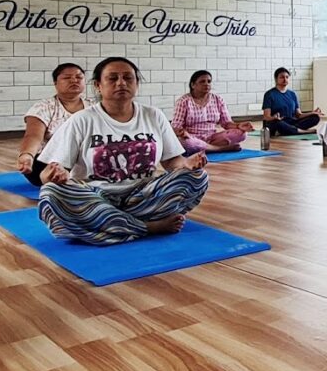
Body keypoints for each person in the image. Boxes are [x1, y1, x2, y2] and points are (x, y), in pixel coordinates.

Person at [35, 56, 209, 246]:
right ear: (98, 85)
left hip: (143, 197)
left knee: (197, 177)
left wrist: (187, 164)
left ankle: (109, 225)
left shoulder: (153, 115)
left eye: (128, 78)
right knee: (51, 192)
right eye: (112, 78)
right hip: (97, 197)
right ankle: (147, 227)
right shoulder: (81, 120)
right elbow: (49, 173)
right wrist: (52, 175)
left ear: (137, 84)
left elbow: (172, 162)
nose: (121, 83)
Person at [18, 62, 93, 181]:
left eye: (79, 77)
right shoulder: (43, 107)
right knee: (48, 172)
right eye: (67, 78)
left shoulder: (94, 106)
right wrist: (27, 154)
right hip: (51, 161)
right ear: (55, 83)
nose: (74, 80)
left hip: (87, 158)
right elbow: (33, 136)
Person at [172, 70, 254, 155]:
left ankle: (207, 148)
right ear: (193, 85)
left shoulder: (218, 99)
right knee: (185, 143)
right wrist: (183, 133)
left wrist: (238, 126)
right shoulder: (184, 101)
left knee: (241, 134)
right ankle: (220, 149)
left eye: (209, 81)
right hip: (192, 138)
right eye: (202, 82)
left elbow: (226, 123)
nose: (206, 84)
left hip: (212, 138)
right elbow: (176, 126)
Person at [261, 67, 322, 135]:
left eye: (287, 77)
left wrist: (313, 113)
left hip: (291, 122)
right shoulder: (269, 94)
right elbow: (266, 117)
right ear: (276, 79)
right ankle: (304, 131)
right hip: (277, 122)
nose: (285, 79)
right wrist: (274, 117)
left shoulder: (292, 94)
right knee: (278, 123)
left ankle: (289, 130)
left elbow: (299, 115)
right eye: (282, 77)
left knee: (315, 118)